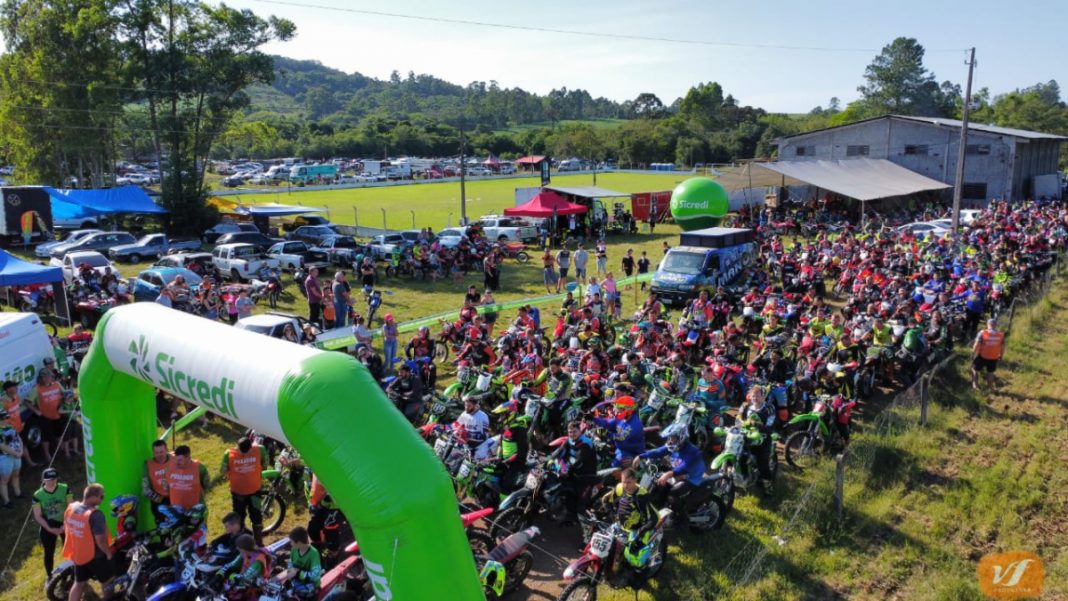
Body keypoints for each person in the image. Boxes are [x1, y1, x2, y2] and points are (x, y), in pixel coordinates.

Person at [634, 422, 706, 513]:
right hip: (678, 474)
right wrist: (641, 456)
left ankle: (681, 516)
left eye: (673, 437)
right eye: (670, 437)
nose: (670, 440)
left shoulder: (693, 452)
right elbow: (658, 452)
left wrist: (668, 474)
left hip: (692, 478)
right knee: (659, 485)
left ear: (681, 437)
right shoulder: (674, 446)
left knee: (672, 494)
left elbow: (685, 467)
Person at [64, 483, 115, 601]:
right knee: (108, 581)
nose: (102, 499)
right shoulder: (96, 515)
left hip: (79, 554)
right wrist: (108, 553)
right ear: (93, 497)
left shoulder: (71, 508)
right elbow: (100, 540)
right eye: (101, 496)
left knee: (79, 584)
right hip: (96, 556)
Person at [221, 436, 270, 546]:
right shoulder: (260, 450)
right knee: (247, 517)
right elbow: (265, 465)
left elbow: (223, 471)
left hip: (248, 492)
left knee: (248, 517)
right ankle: (247, 543)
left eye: (246, 452)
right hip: (245, 492)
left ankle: (253, 543)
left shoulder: (229, 453)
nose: (244, 454)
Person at [596, 468, 657, 550]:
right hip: (618, 527)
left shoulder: (642, 496)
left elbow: (654, 517)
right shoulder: (620, 488)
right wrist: (612, 513)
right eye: (623, 482)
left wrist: (641, 530)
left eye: (628, 482)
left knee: (629, 556)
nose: (625, 485)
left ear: (635, 480)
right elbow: (605, 500)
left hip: (636, 532)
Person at [550, 420, 599, 522]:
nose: (572, 434)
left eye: (574, 432)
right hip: (574, 472)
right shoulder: (569, 440)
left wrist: (566, 470)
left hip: (586, 476)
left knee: (581, 507)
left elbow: (579, 461)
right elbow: (558, 452)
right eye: (570, 432)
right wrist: (549, 460)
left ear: (580, 431)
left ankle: (587, 523)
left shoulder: (586, 443)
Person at [33, 468, 71, 577]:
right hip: (48, 523)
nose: (52, 482)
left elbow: (70, 507)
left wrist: (65, 524)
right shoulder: (37, 495)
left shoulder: (65, 488)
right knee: (49, 552)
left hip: (65, 521)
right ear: (43, 480)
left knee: (70, 549)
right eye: (49, 480)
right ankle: (49, 576)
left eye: (54, 479)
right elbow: (38, 516)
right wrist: (50, 529)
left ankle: (71, 571)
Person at [738, 387, 776, 494]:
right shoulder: (746, 406)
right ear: (750, 396)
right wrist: (739, 422)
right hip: (747, 437)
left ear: (763, 397)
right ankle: (744, 477)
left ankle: (768, 487)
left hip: (763, 439)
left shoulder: (769, 409)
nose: (755, 398)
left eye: (758, 396)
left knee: (762, 465)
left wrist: (756, 424)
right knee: (740, 456)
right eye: (753, 396)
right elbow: (738, 419)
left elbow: (770, 426)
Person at [27, 369, 70, 461]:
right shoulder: (36, 389)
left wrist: (67, 398)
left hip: (58, 414)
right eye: (45, 377)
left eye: (50, 376)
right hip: (45, 417)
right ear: (41, 378)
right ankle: (47, 454)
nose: (48, 378)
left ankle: (60, 448)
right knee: (45, 437)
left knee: (59, 432)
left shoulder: (57, 384)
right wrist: (36, 411)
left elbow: (65, 394)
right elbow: (27, 402)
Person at [592, 396, 645, 468]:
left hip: (631, 452)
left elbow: (620, 437)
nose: (617, 410)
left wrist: (605, 433)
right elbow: (607, 423)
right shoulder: (621, 418)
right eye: (617, 408)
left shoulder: (634, 425)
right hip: (620, 447)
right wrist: (593, 418)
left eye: (620, 408)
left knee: (614, 467)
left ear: (628, 409)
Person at [273, 526, 322, 600]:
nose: (290, 544)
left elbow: (316, 575)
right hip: (296, 583)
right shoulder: (294, 550)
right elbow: (290, 563)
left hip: (310, 587)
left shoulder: (314, 554)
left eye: (291, 542)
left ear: (299, 542)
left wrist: (298, 573)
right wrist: (290, 571)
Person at [220, 534, 270, 600]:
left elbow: (246, 578)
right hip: (243, 583)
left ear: (244, 548)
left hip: (254, 588)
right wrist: (221, 572)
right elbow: (233, 564)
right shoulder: (244, 553)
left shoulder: (258, 561)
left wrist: (231, 578)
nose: (237, 548)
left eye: (238, 547)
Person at [167, 445, 209, 511]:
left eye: (180, 460)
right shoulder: (171, 465)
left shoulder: (199, 468)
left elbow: (206, 485)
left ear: (188, 457)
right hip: (176, 510)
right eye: (176, 459)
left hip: (194, 509)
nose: (177, 463)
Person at [143, 439, 172, 523]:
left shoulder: (175, 459)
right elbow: (145, 489)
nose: (159, 455)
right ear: (153, 452)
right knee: (163, 526)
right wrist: (160, 500)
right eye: (156, 452)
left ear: (166, 450)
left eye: (161, 452)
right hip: (159, 500)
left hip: (176, 498)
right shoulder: (148, 465)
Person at [972, 318, 1005, 391]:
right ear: (995, 325)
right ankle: (990, 387)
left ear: (987, 324)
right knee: (990, 372)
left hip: (982, 356)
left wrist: (973, 352)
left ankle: (975, 386)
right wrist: (1001, 355)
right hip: (994, 357)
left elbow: (977, 344)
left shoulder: (982, 333)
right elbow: (1002, 347)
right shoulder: (1000, 334)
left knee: (975, 369)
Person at [0, 409, 24, 507]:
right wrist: (16, 453)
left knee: (16, 475)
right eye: (3, 418)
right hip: (5, 457)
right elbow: (2, 446)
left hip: (16, 455)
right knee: (4, 480)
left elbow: (18, 438)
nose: (6, 420)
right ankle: (6, 501)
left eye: (6, 417)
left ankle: (18, 493)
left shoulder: (9, 426)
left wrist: (21, 450)